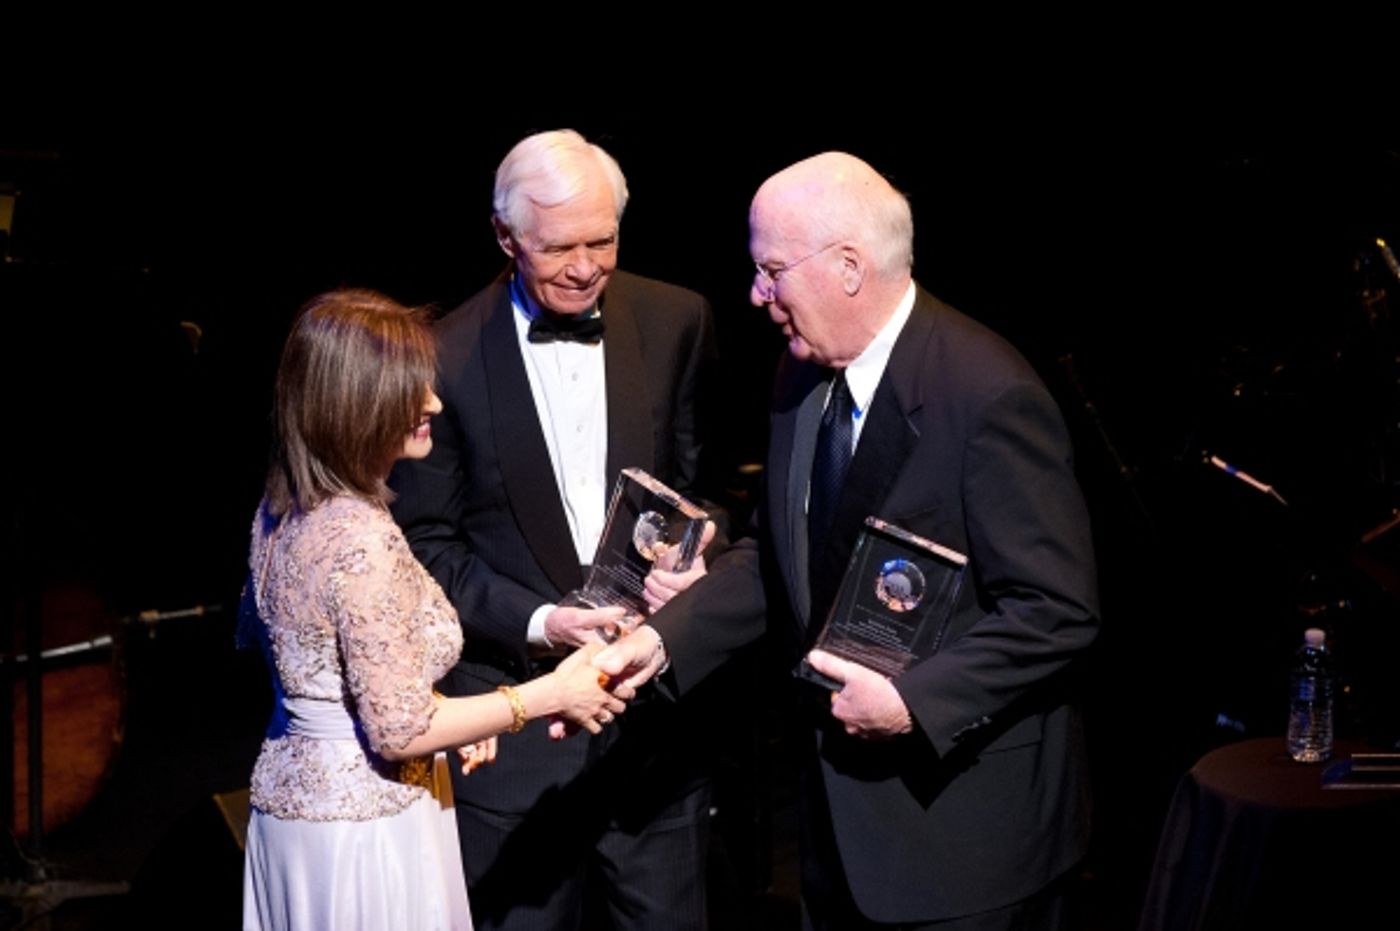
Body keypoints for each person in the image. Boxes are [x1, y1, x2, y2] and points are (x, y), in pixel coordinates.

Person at [599, 152, 1100, 929]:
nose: (757, 295)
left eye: (771, 271)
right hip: (836, 833)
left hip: (967, 847)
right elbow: (779, 555)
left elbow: (1057, 608)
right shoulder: (799, 376)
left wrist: (913, 702)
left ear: (849, 267)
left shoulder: (987, 392)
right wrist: (666, 639)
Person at [388, 130, 720, 931]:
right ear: (506, 237)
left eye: (602, 241)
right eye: (560, 247)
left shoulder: (677, 318)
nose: (584, 266)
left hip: (650, 731)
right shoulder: (442, 354)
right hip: (514, 740)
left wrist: (698, 548)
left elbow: (700, 491)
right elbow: (427, 547)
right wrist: (543, 622)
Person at [240, 289, 624, 931]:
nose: (434, 403)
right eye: (410, 389)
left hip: (296, 818)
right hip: (366, 833)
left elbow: (315, 673)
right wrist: (543, 696)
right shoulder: (362, 536)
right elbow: (397, 730)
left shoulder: (282, 511)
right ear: (358, 403)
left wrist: (454, 724)